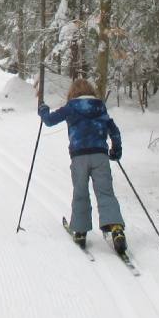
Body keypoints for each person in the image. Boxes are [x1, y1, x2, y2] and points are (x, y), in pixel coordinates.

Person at [38, 78, 127, 252]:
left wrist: (43, 110)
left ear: (72, 92)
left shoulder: (71, 107)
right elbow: (114, 130)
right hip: (100, 155)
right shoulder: (100, 106)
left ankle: (80, 232)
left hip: (79, 157)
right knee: (105, 192)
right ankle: (116, 228)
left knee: (80, 192)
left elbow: (49, 121)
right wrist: (116, 149)